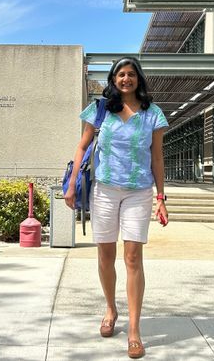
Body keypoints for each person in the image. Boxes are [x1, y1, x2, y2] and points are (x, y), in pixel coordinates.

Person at [64, 56, 168, 359]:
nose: (126, 79)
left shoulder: (153, 114)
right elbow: (82, 147)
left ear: (139, 79)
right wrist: (71, 184)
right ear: (113, 79)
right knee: (105, 256)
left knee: (133, 257)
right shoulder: (100, 110)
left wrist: (161, 197)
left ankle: (134, 330)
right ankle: (110, 308)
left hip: (138, 192)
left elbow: (158, 158)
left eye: (131, 74)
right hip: (105, 191)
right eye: (121, 74)